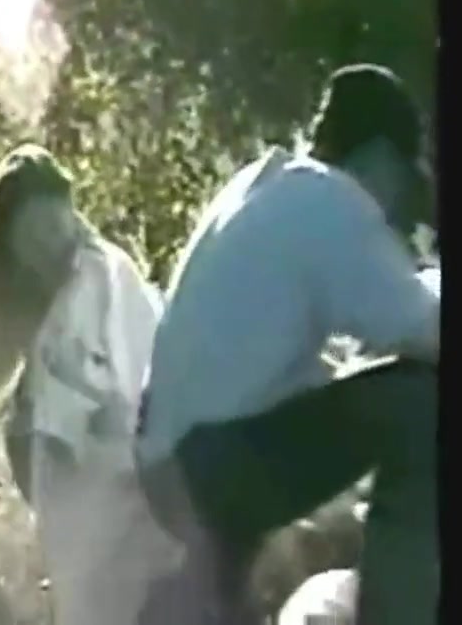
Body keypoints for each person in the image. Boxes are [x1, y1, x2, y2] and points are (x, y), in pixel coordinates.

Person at [134, 63, 439, 625]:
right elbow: (426, 330)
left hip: (173, 464)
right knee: (423, 403)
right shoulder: (333, 201)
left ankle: (196, 602)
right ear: (378, 156)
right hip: (213, 463)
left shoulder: (268, 188)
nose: (397, 200)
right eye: (402, 177)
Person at [0, 144, 184, 625]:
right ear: (9, 242)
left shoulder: (103, 275)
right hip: (79, 478)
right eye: (34, 234)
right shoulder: (26, 301)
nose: (50, 244)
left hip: (143, 459)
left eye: (56, 224)